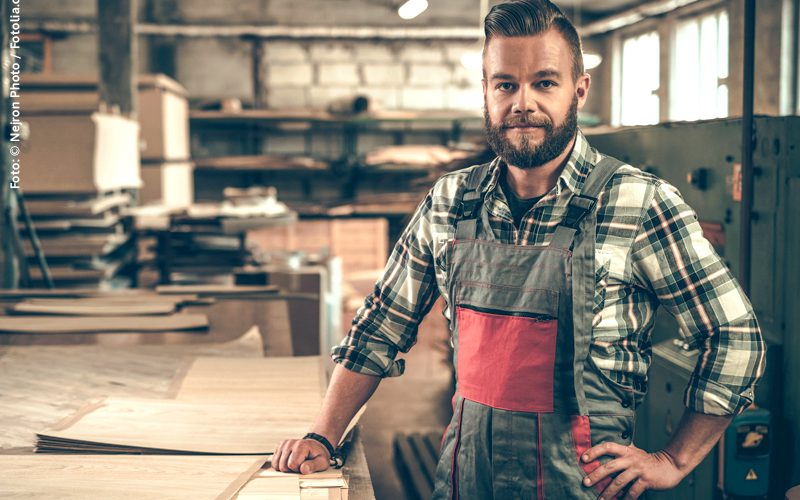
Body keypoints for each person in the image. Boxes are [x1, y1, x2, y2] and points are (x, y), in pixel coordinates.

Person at [272, 1, 766, 498]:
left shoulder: (638, 202)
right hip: (465, 484)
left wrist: (673, 459)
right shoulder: (450, 201)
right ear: (485, 92)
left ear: (579, 88)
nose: (522, 102)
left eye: (544, 82)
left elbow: (733, 336)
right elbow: (380, 323)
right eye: (505, 84)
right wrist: (323, 434)